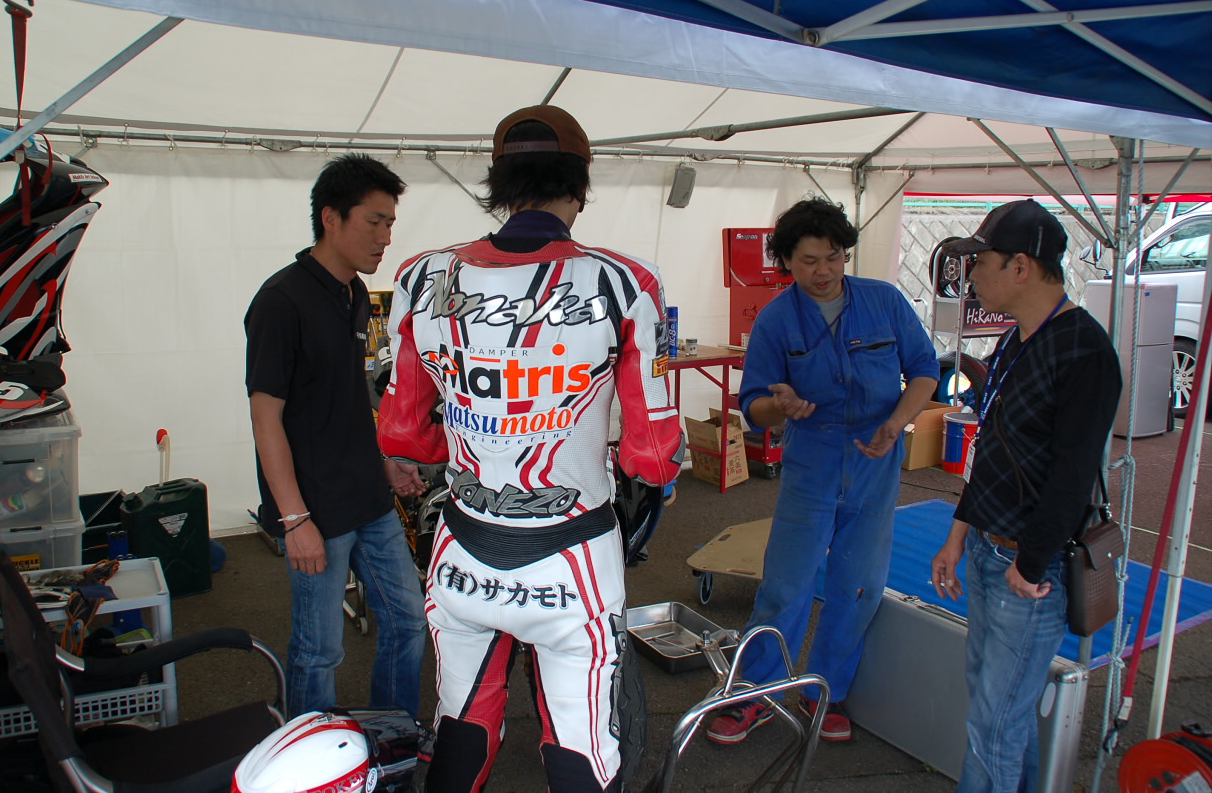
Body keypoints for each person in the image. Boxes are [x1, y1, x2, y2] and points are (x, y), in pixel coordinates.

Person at [377, 105, 684, 793]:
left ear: (499, 184)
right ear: (580, 184)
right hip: (574, 558)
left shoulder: (420, 277)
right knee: (581, 748)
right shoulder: (627, 282)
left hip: (462, 548)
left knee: (460, 726)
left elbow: (403, 433)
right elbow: (654, 455)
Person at [707, 197, 940, 746]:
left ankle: (824, 693)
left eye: (834, 257)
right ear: (786, 261)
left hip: (876, 461)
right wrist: (781, 405)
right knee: (785, 586)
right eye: (809, 261)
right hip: (812, 461)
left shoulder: (884, 301)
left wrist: (898, 423)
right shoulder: (775, 320)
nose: (824, 271)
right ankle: (754, 695)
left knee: (858, 586)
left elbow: (925, 369)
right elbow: (753, 405)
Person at [931, 199, 1121, 792]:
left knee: (995, 721)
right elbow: (989, 450)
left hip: (1030, 570)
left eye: (980, 262)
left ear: (1020, 267)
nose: (971, 277)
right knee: (999, 710)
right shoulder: (1016, 340)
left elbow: (1073, 473)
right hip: (990, 551)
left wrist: (1032, 562)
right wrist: (958, 536)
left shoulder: (1085, 350)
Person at [244, 154, 427, 721]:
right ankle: (312, 756)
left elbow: (344, 405)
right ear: (331, 218)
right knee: (319, 651)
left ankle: (393, 739)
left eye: (390, 223)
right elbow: (266, 419)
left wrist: (384, 462)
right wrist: (294, 519)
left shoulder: (355, 295)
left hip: (368, 497)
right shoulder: (280, 301)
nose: (386, 237)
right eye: (374, 221)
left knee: (408, 621)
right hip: (316, 510)